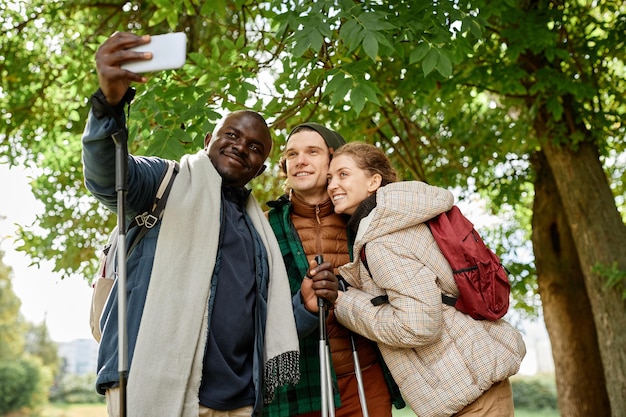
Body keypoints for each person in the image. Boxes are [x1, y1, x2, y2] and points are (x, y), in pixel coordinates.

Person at [82, 32, 338, 417]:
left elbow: (261, 323)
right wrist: (109, 105)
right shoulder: (163, 181)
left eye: (255, 148)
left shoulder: (258, 230)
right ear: (208, 140)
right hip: (150, 384)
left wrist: (303, 307)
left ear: (261, 167)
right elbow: (107, 177)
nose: (241, 147)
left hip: (235, 401)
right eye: (231, 135)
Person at [327, 142, 527, 417]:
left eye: (343, 174)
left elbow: (418, 325)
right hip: (474, 377)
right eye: (329, 178)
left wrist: (346, 304)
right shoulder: (404, 218)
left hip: (468, 393)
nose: (332, 185)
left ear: (374, 181)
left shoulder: (382, 240)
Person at [265, 125, 403, 417]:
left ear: (333, 161)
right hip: (298, 384)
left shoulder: (366, 219)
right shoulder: (263, 227)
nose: (300, 160)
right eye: (292, 154)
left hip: (363, 375)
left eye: (312, 152)